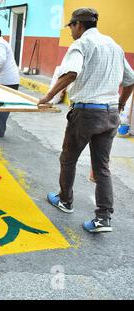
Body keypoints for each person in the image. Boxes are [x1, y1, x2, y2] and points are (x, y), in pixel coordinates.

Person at [39, 8, 134, 233]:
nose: (71, 31)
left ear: (78, 25)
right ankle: (103, 219)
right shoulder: (114, 46)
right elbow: (130, 80)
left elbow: (71, 73)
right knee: (102, 167)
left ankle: (65, 200)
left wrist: (48, 96)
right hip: (110, 114)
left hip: (86, 113)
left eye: (71, 26)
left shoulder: (81, 45)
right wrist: (120, 104)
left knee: (68, 159)